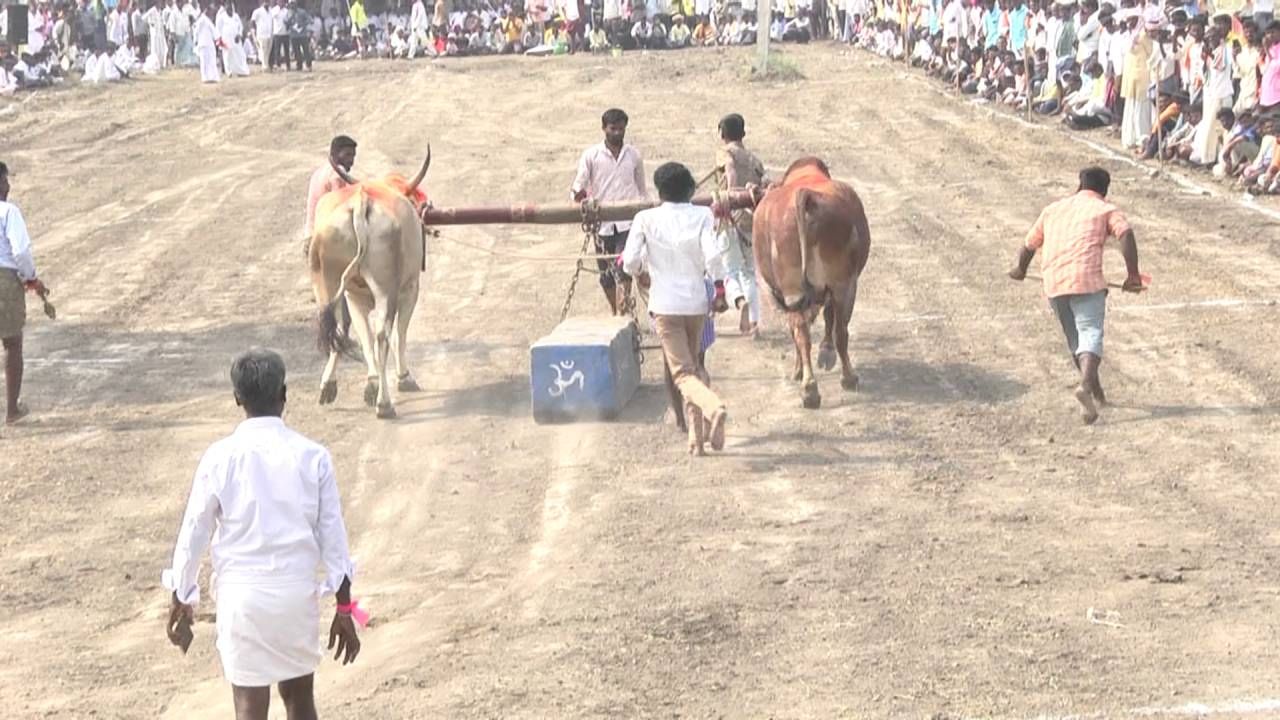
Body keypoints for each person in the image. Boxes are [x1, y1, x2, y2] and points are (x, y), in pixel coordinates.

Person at [162, 348, 361, 720]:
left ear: (237, 399)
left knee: (249, 706)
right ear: (284, 394)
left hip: (242, 602)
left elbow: (194, 532)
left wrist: (182, 594)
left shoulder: (219, 457)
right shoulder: (313, 456)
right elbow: (333, 537)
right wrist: (345, 607)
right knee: (300, 698)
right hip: (295, 598)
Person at [1008, 167, 1144, 425]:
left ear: (1078, 186)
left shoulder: (1053, 209)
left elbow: (1029, 245)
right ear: (1104, 190)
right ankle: (1085, 385)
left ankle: (1095, 396)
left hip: (1055, 282)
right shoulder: (1105, 209)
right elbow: (1125, 234)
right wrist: (1133, 276)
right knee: (1091, 333)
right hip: (1087, 279)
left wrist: (1020, 269)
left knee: (1077, 343)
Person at [623, 162, 728, 455]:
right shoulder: (703, 215)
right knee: (694, 368)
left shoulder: (645, 218)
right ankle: (697, 439)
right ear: (690, 190)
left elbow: (629, 260)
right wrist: (718, 289)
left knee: (682, 375)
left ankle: (713, 408)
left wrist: (640, 272)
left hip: (665, 305)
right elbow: (714, 256)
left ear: (660, 191)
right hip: (696, 303)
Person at [571, 108, 648, 316]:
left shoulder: (633, 155)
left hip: (628, 222)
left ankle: (623, 314)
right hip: (601, 224)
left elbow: (641, 190)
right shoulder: (591, 155)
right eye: (613, 129)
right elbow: (578, 186)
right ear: (604, 128)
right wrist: (581, 197)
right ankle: (616, 311)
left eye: (621, 129)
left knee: (624, 267)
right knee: (606, 274)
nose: (617, 133)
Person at [0, 162, 45, 425]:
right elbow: (20, 252)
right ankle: (11, 411)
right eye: (4, 180)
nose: (8, 185)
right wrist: (31, 278)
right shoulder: (8, 212)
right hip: (4, 281)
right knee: (12, 343)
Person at [713, 113, 766, 337]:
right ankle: (754, 322)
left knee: (730, 269)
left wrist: (730, 195)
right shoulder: (754, 160)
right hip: (750, 220)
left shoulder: (724, 153)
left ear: (722, 135)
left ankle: (739, 300)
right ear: (743, 134)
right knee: (750, 273)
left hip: (728, 217)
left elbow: (730, 170)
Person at [305, 135, 357, 253]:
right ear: (335, 154)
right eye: (347, 155)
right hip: (327, 240)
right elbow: (340, 209)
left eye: (353, 156)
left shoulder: (318, 172)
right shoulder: (337, 174)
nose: (351, 161)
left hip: (310, 236)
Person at [194, 3, 220, 82]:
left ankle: (212, 77)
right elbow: (196, 30)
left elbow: (214, 32)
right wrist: (195, 40)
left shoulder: (208, 20)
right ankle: (205, 77)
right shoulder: (202, 19)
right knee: (204, 61)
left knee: (211, 60)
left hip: (209, 43)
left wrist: (217, 39)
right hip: (203, 43)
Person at [287, 0, 313, 70]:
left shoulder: (302, 12)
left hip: (302, 34)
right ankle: (299, 65)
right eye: (291, 4)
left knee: (306, 51)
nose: (292, 5)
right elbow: (285, 22)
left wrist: (302, 25)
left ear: (296, 4)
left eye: (293, 3)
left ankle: (308, 65)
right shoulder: (288, 13)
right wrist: (290, 19)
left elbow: (310, 20)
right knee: (296, 51)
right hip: (293, 35)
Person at [250, 0, 274, 67]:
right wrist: (253, 35)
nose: (266, 3)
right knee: (263, 51)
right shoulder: (257, 11)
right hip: (261, 34)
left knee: (268, 51)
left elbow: (272, 22)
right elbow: (252, 23)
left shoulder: (271, 11)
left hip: (269, 34)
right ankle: (265, 67)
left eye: (268, 1)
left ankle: (267, 65)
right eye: (265, 1)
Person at [270, 0, 291, 69]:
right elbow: (272, 18)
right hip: (277, 33)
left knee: (286, 50)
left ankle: (288, 65)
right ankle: (277, 64)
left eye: (282, 2)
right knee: (277, 50)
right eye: (280, 1)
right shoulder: (274, 10)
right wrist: (279, 9)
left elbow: (289, 20)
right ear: (277, 2)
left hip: (285, 33)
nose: (281, 3)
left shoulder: (286, 11)